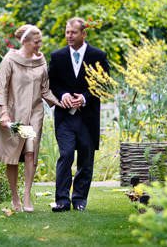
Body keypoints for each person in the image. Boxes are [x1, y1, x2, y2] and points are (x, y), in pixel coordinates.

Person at [0, 24, 62, 212]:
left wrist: (62, 102)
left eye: (40, 42)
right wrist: (4, 112)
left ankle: (27, 194)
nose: (39, 45)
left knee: (31, 152)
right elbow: (1, 88)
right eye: (36, 42)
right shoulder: (10, 59)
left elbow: (45, 89)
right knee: (12, 157)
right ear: (26, 42)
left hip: (35, 114)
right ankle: (15, 197)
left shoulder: (41, 60)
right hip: (13, 114)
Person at [48, 17, 109, 212]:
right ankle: (62, 201)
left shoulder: (98, 55)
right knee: (65, 155)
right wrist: (63, 95)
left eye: (73, 32)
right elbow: (52, 84)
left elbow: (104, 84)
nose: (69, 36)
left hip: (88, 117)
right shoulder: (57, 57)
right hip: (64, 117)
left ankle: (80, 199)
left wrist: (84, 98)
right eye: (67, 32)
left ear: (84, 34)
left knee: (85, 158)